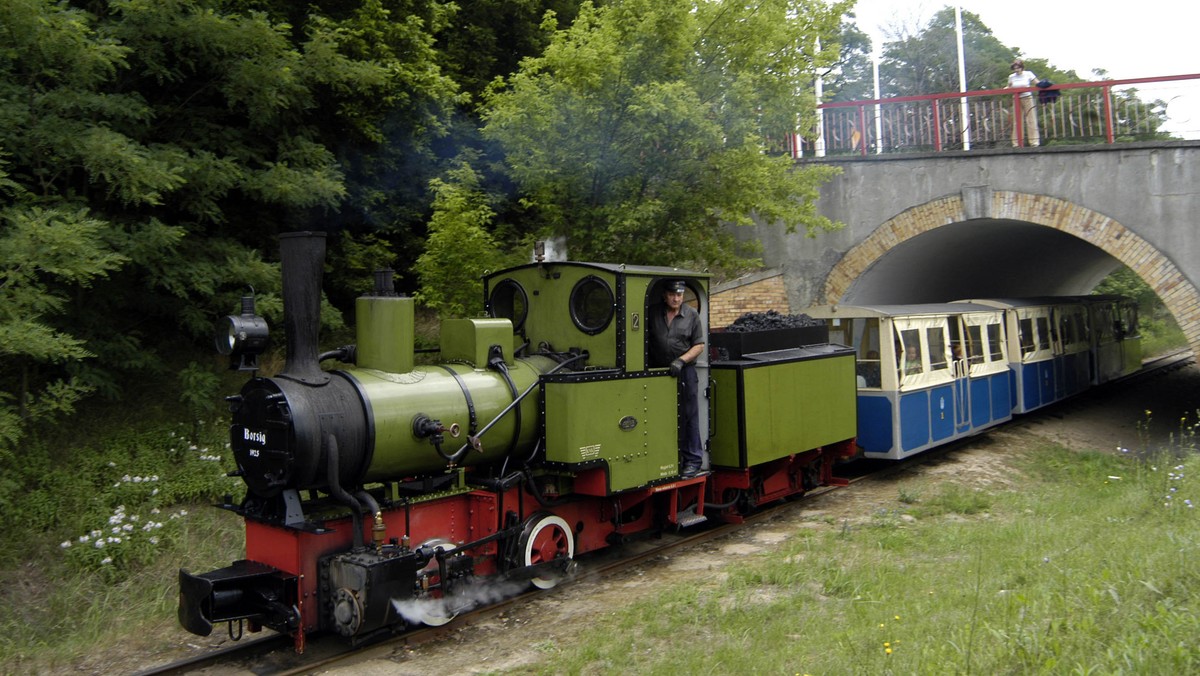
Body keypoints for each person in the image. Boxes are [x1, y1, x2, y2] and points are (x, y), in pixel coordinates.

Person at [648, 280, 705, 477]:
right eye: (672, 294)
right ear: (665, 295)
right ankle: (664, 459)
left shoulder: (692, 315)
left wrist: (681, 360)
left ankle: (692, 460)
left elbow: (699, 345)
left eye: (679, 295)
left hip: (684, 372)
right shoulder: (653, 312)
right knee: (658, 416)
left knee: (689, 416)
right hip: (658, 372)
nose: (676, 298)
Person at [1008, 60, 1040, 147]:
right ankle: (1016, 142)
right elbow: (1010, 87)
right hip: (1016, 99)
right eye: (1015, 69)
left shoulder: (1028, 74)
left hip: (1027, 97)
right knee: (1017, 121)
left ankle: (1034, 142)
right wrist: (1005, 88)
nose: (1016, 70)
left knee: (1031, 119)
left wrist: (1044, 85)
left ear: (1022, 68)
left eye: (1018, 68)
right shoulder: (1011, 77)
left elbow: (1037, 83)